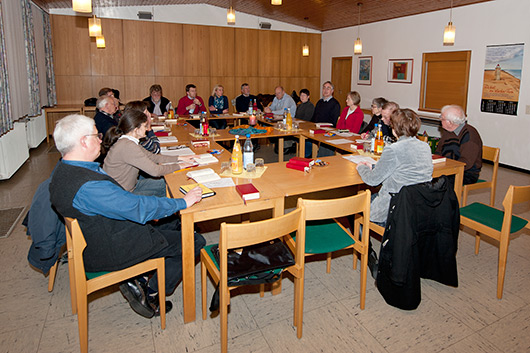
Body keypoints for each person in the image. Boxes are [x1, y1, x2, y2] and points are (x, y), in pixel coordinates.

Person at [49, 114, 205, 318]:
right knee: (194, 240)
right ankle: (152, 292)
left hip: (103, 233)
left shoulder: (63, 171)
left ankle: (140, 277)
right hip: (115, 247)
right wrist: (182, 202)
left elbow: (124, 204)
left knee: (176, 222)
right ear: (83, 141)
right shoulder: (88, 186)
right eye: (97, 135)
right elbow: (136, 207)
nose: (101, 139)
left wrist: (163, 210)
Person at [357, 108, 433, 278]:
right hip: (417, 206)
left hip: (393, 207)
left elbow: (372, 180)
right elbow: (405, 169)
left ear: (394, 128)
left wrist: (361, 167)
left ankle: (371, 258)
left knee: (356, 209)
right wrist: (378, 167)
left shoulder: (394, 149)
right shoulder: (425, 147)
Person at [102, 110, 195, 197]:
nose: (147, 129)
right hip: (122, 195)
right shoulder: (128, 146)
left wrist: (180, 158)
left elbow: (153, 157)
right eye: (145, 126)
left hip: (130, 186)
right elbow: (156, 171)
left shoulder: (128, 141)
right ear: (136, 129)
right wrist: (180, 166)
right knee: (172, 189)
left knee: (168, 183)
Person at [436, 104, 483, 185]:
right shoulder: (448, 132)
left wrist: (446, 169)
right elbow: (439, 152)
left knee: (437, 183)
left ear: (450, 122)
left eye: (442, 118)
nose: (440, 119)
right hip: (448, 167)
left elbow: (465, 163)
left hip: (466, 173)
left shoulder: (470, 135)